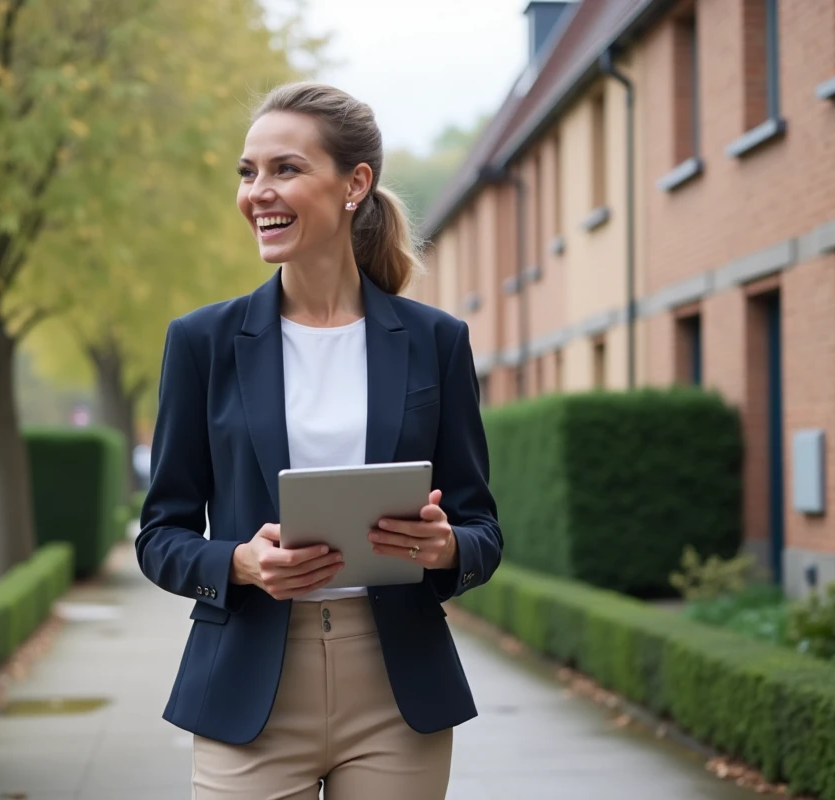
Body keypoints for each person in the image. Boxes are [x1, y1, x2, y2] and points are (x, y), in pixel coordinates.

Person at [136, 81, 502, 799]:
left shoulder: (436, 343)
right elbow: (160, 534)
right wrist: (239, 561)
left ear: (354, 184)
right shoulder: (201, 343)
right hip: (248, 688)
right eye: (248, 172)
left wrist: (447, 546)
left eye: (286, 169)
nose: (257, 192)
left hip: (398, 692)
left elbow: (482, 526)